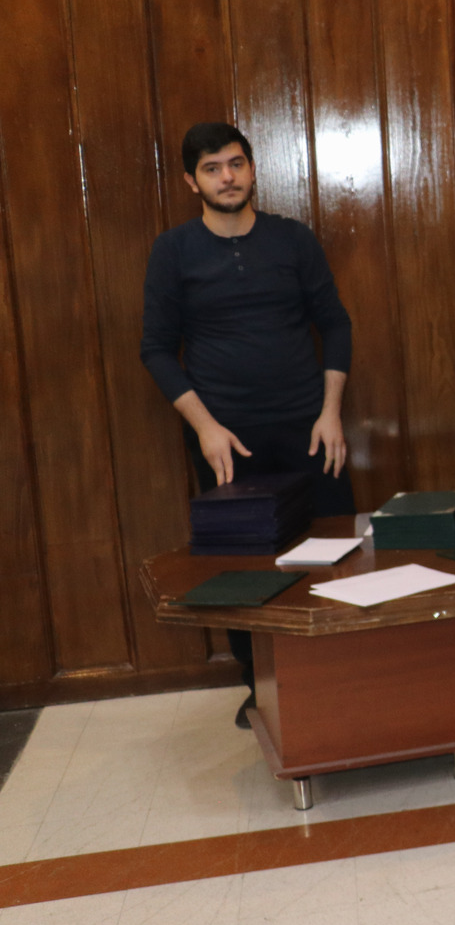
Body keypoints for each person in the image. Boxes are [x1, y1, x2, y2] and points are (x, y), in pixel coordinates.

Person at [142, 121, 356, 729]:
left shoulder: (293, 240)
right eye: (212, 169)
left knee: (331, 551)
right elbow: (156, 349)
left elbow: (335, 324)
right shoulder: (173, 251)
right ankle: (259, 687)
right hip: (226, 440)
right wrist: (205, 427)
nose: (227, 177)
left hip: (310, 429)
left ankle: (342, 674)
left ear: (253, 168)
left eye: (236, 163)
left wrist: (331, 411)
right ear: (192, 181)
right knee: (241, 567)